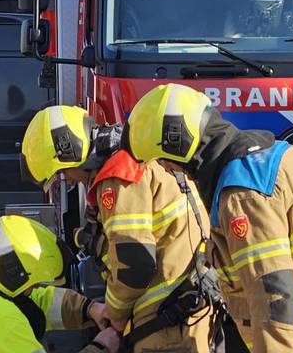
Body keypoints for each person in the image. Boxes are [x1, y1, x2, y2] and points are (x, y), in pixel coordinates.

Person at [126, 83, 293, 353]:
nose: (167, 169)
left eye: (164, 161)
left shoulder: (242, 195)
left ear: (178, 143)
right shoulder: (275, 153)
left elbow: (273, 294)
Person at [20, 105, 214, 353]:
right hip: (188, 304)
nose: (68, 179)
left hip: (167, 321)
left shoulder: (118, 176)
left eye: (63, 171)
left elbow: (135, 265)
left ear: (71, 151)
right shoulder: (138, 154)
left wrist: (115, 313)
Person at [0, 215, 119, 353]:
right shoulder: (1, 318)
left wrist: (91, 309)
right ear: (13, 273)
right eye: (33, 284)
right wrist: (101, 347)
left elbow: (37, 303)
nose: (34, 289)